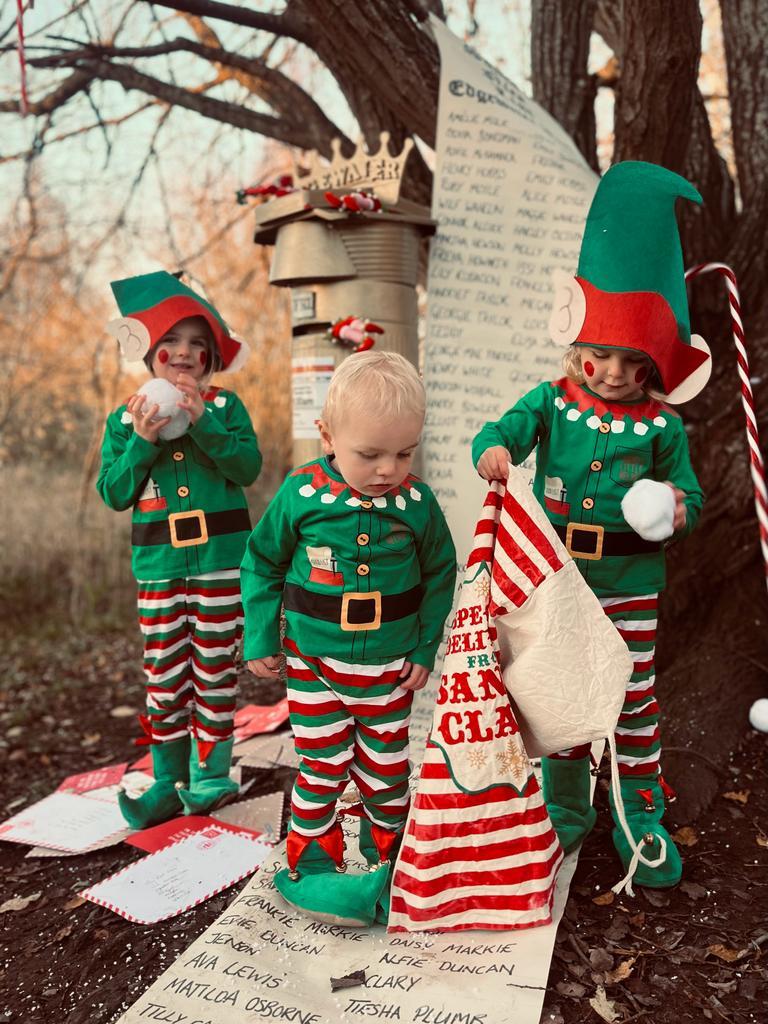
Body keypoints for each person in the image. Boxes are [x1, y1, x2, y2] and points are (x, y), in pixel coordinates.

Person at [472, 162, 710, 888]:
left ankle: (639, 810)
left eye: (629, 361)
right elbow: (503, 429)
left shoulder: (662, 428)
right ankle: (566, 806)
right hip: (559, 580)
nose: (610, 372)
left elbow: (692, 499)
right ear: (576, 344)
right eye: (598, 355)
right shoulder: (550, 400)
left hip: (631, 581)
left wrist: (671, 508)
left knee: (634, 697)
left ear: (652, 366)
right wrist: (494, 449)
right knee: (564, 687)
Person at [241, 350, 456, 888]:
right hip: (314, 663)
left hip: (390, 666)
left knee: (387, 770)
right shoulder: (301, 494)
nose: (388, 469)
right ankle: (313, 859)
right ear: (328, 436)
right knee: (322, 763)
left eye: (404, 453)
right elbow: (263, 561)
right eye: (370, 454)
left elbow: (441, 573)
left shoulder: (417, 504)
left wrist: (426, 649)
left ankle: (389, 857)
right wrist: (263, 633)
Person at [97, 270, 261, 829]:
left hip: (220, 564)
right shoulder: (125, 419)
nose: (184, 353)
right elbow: (114, 492)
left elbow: (248, 467)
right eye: (171, 341)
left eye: (198, 344)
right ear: (149, 351)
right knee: (166, 674)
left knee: (214, 670)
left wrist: (201, 423)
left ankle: (211, 774)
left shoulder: (226, 409)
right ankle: (166, 780)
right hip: (160, 569)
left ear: (212, 356)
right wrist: (143, 441)